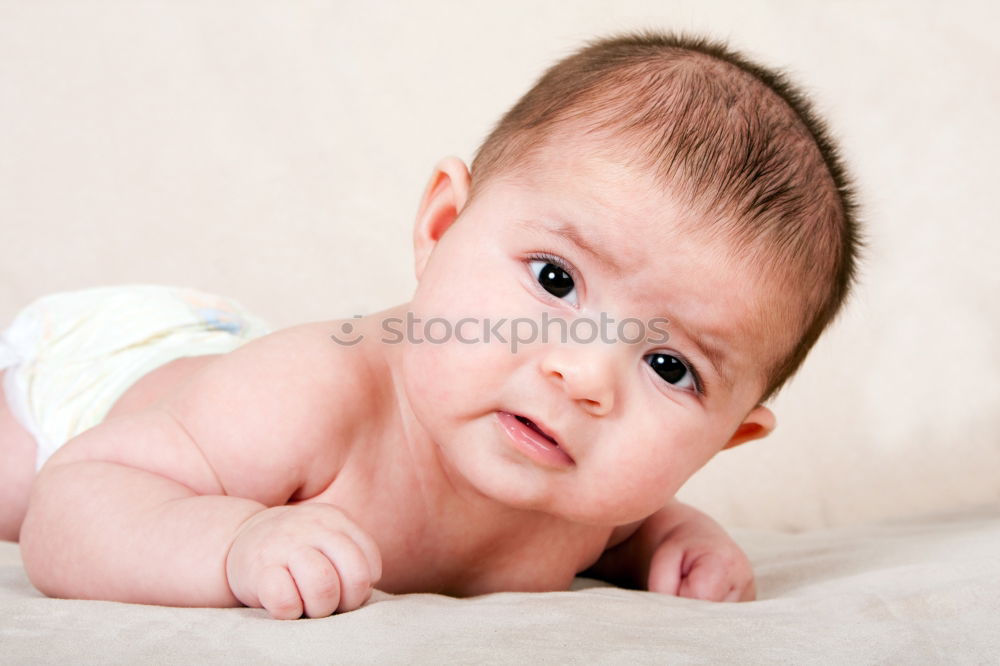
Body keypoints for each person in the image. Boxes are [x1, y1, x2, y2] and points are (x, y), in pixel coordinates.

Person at [0, 31, 860, 620]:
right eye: (556, 279)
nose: (587, 378)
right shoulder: (306, 401)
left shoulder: (591, 495)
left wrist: (675, 540)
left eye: (670, 368)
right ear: (443, 226)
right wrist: (232, 541)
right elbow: (77, 501)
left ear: (725, 439)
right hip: (101, 376)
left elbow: (632, 523)